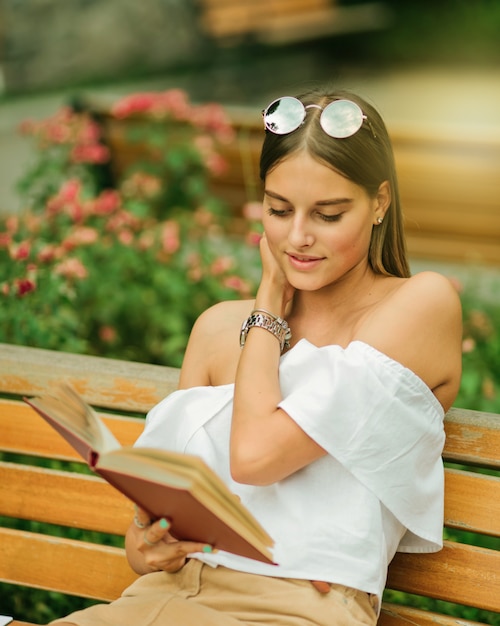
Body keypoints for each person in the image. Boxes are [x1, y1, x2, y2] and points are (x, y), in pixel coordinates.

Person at [51, 86, 462, 626]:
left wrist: (268, 307)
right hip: (166, 597)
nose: (297, 237)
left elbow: (255, 456)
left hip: (296, 609)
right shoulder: (219, 328)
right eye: (278, 209)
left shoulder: (420, 306)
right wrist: (145, 547)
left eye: (328, 214)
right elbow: (159, 520)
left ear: (380, 202)